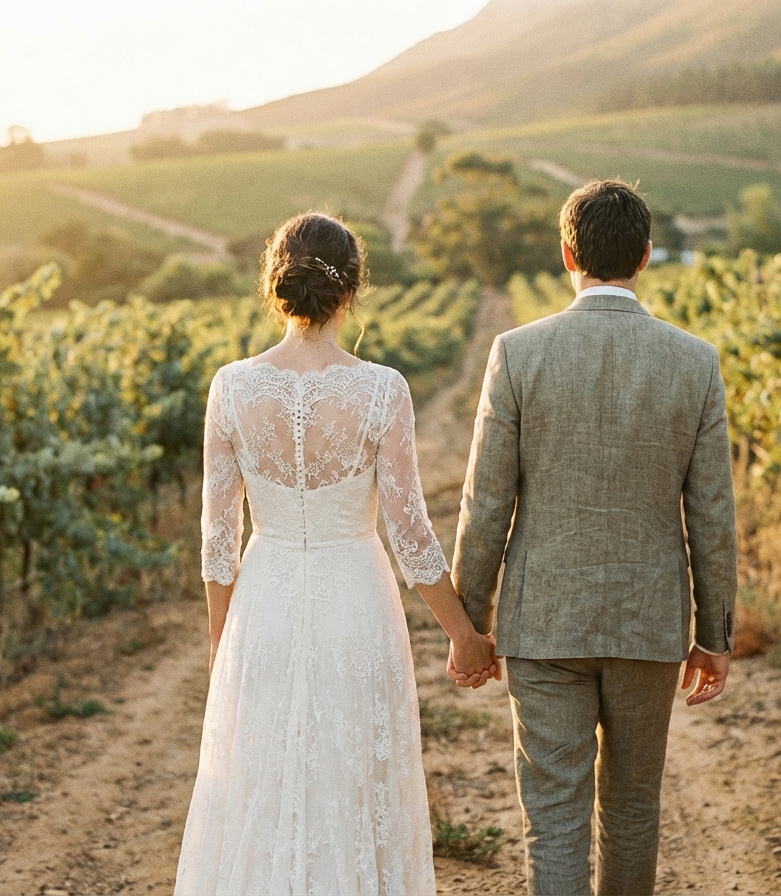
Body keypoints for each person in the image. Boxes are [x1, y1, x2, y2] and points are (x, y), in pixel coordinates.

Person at [174, 212, 499, 896]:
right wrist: (463, 634)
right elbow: (412, 536)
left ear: (275, 285)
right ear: (351, 290)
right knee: (351, 773)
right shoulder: (382, 389)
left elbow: (218, 541)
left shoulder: (230, 387)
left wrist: (220, 644)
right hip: (355, 596)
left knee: (265, 776)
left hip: (263, 600)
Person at [449, 180, 738, 896]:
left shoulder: (517, 354)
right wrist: (715, 632)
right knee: (634, 808)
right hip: (648, 623)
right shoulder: (694, 360)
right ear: (644, 257)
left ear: (567, 253)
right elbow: (712, 512)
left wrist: (469, 622)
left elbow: (486, 501)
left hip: (542, 623)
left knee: (553, 816)